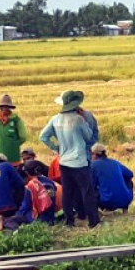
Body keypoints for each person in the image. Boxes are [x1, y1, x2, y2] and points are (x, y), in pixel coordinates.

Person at [40, 90, 99, 227]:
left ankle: (69, 221)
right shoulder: (78, 119)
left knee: (67, 191)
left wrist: (56, 148)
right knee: (87, 191)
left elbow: (43, 136)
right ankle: (93, 221)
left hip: (64, 161)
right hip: (79, 161)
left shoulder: (55, 119)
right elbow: (89, 136)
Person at [90, 144, 135, 214]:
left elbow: (92, 184)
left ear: (95, 154)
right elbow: (130, 174)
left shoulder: (93, 165)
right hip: (125, 200)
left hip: (107, 202)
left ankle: (97, 212)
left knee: (90, 188)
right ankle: (125, 208)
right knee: (128, 180)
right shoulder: (115, 162)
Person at [15, 160, 62, 226]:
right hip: (51, 216)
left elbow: (25, 206)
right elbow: (52, 197)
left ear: (27, 173)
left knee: (18, 216)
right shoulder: (49, 181)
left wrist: (18, 213)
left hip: (39, 218)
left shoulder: (30, 186)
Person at [0, 94, 29, 162]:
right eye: (2, 107)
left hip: (13, 155)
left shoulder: (16, 120)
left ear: (9, 107)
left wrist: (13, 144)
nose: (4, 109)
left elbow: (23, 137)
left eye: (6, 107)